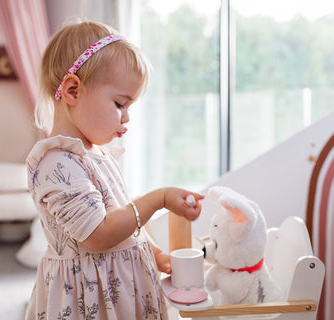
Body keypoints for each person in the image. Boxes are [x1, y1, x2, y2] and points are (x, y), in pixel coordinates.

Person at [25, 20, 204, 320]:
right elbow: (99, 233)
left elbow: (122, 210)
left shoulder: (99, 154)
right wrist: (158, 199)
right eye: (120, 103)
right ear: (72, 91)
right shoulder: (57, 163)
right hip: (89, 298)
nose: (127, 117)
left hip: (121, 291)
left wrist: (154, 251)